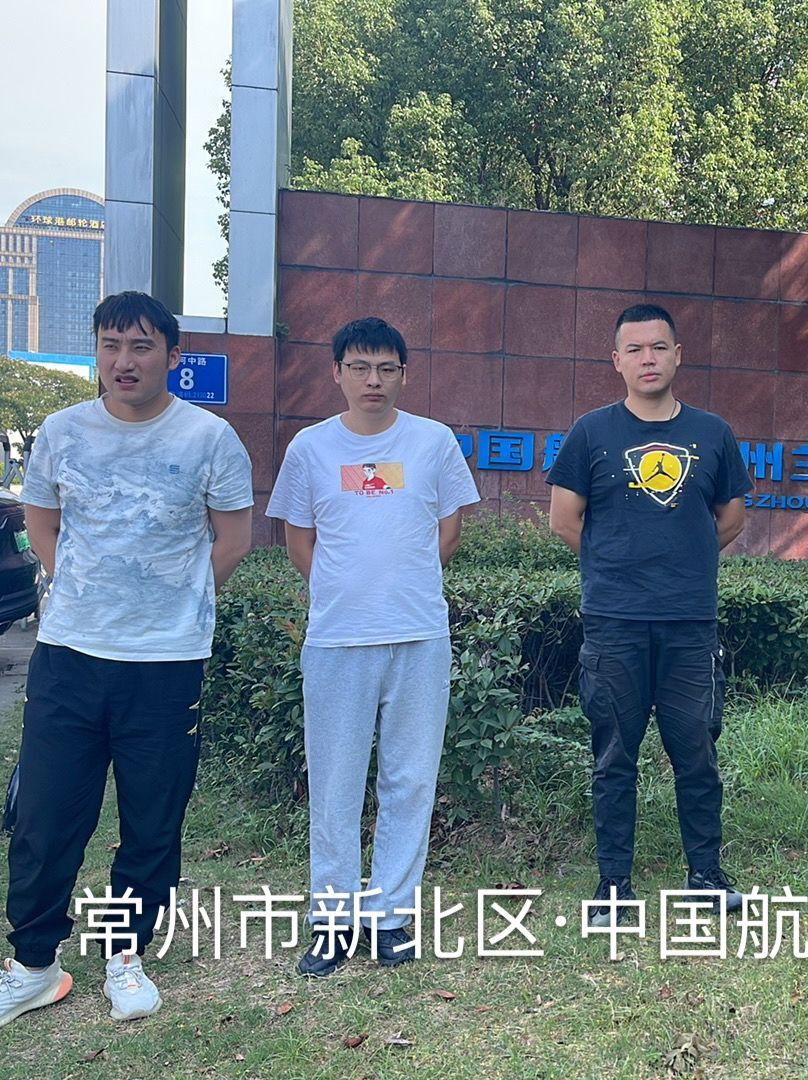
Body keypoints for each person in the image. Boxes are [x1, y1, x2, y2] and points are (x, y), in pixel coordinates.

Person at [1, 291, 253, 1025]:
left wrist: (168, 603)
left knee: (151, 819)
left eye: (141, 346)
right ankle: (35, 964)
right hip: (70, 656)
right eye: (111, 345)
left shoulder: (209, 438)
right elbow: (42, 524)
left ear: (171, 355)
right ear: (97, 353)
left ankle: (124, 954)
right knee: (47, 815)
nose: (124, 360)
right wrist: (86, 593)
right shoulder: (60, 432)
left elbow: (233, 539)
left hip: (167, 663)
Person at [266, 316, 479, 976]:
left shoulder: (432, 442)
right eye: (359, 367)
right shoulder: (310, 448)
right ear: (337, 372)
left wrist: (400, 588)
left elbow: (448, 532)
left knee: (409, 780)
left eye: (386, 368)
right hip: (338, 640)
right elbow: (299, 540)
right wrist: (346, 593)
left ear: (403, 374)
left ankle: (390, 915)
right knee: (335, 783)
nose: (373, 380)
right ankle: (332, 921)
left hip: (419, 637)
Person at [547, 303, 751, 925]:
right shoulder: (591, 433)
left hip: (690, 622)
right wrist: (619, 566)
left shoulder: (713, 433)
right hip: (615, 622)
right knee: (614, 756)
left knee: (697, 752)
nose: (648, 359)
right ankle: (614, 885)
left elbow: (730, 519)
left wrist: (680, 563)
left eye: (659, 347)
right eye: (634, 350)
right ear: (617, 361)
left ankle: (705, 876)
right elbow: (564, 520)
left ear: (678, 355)